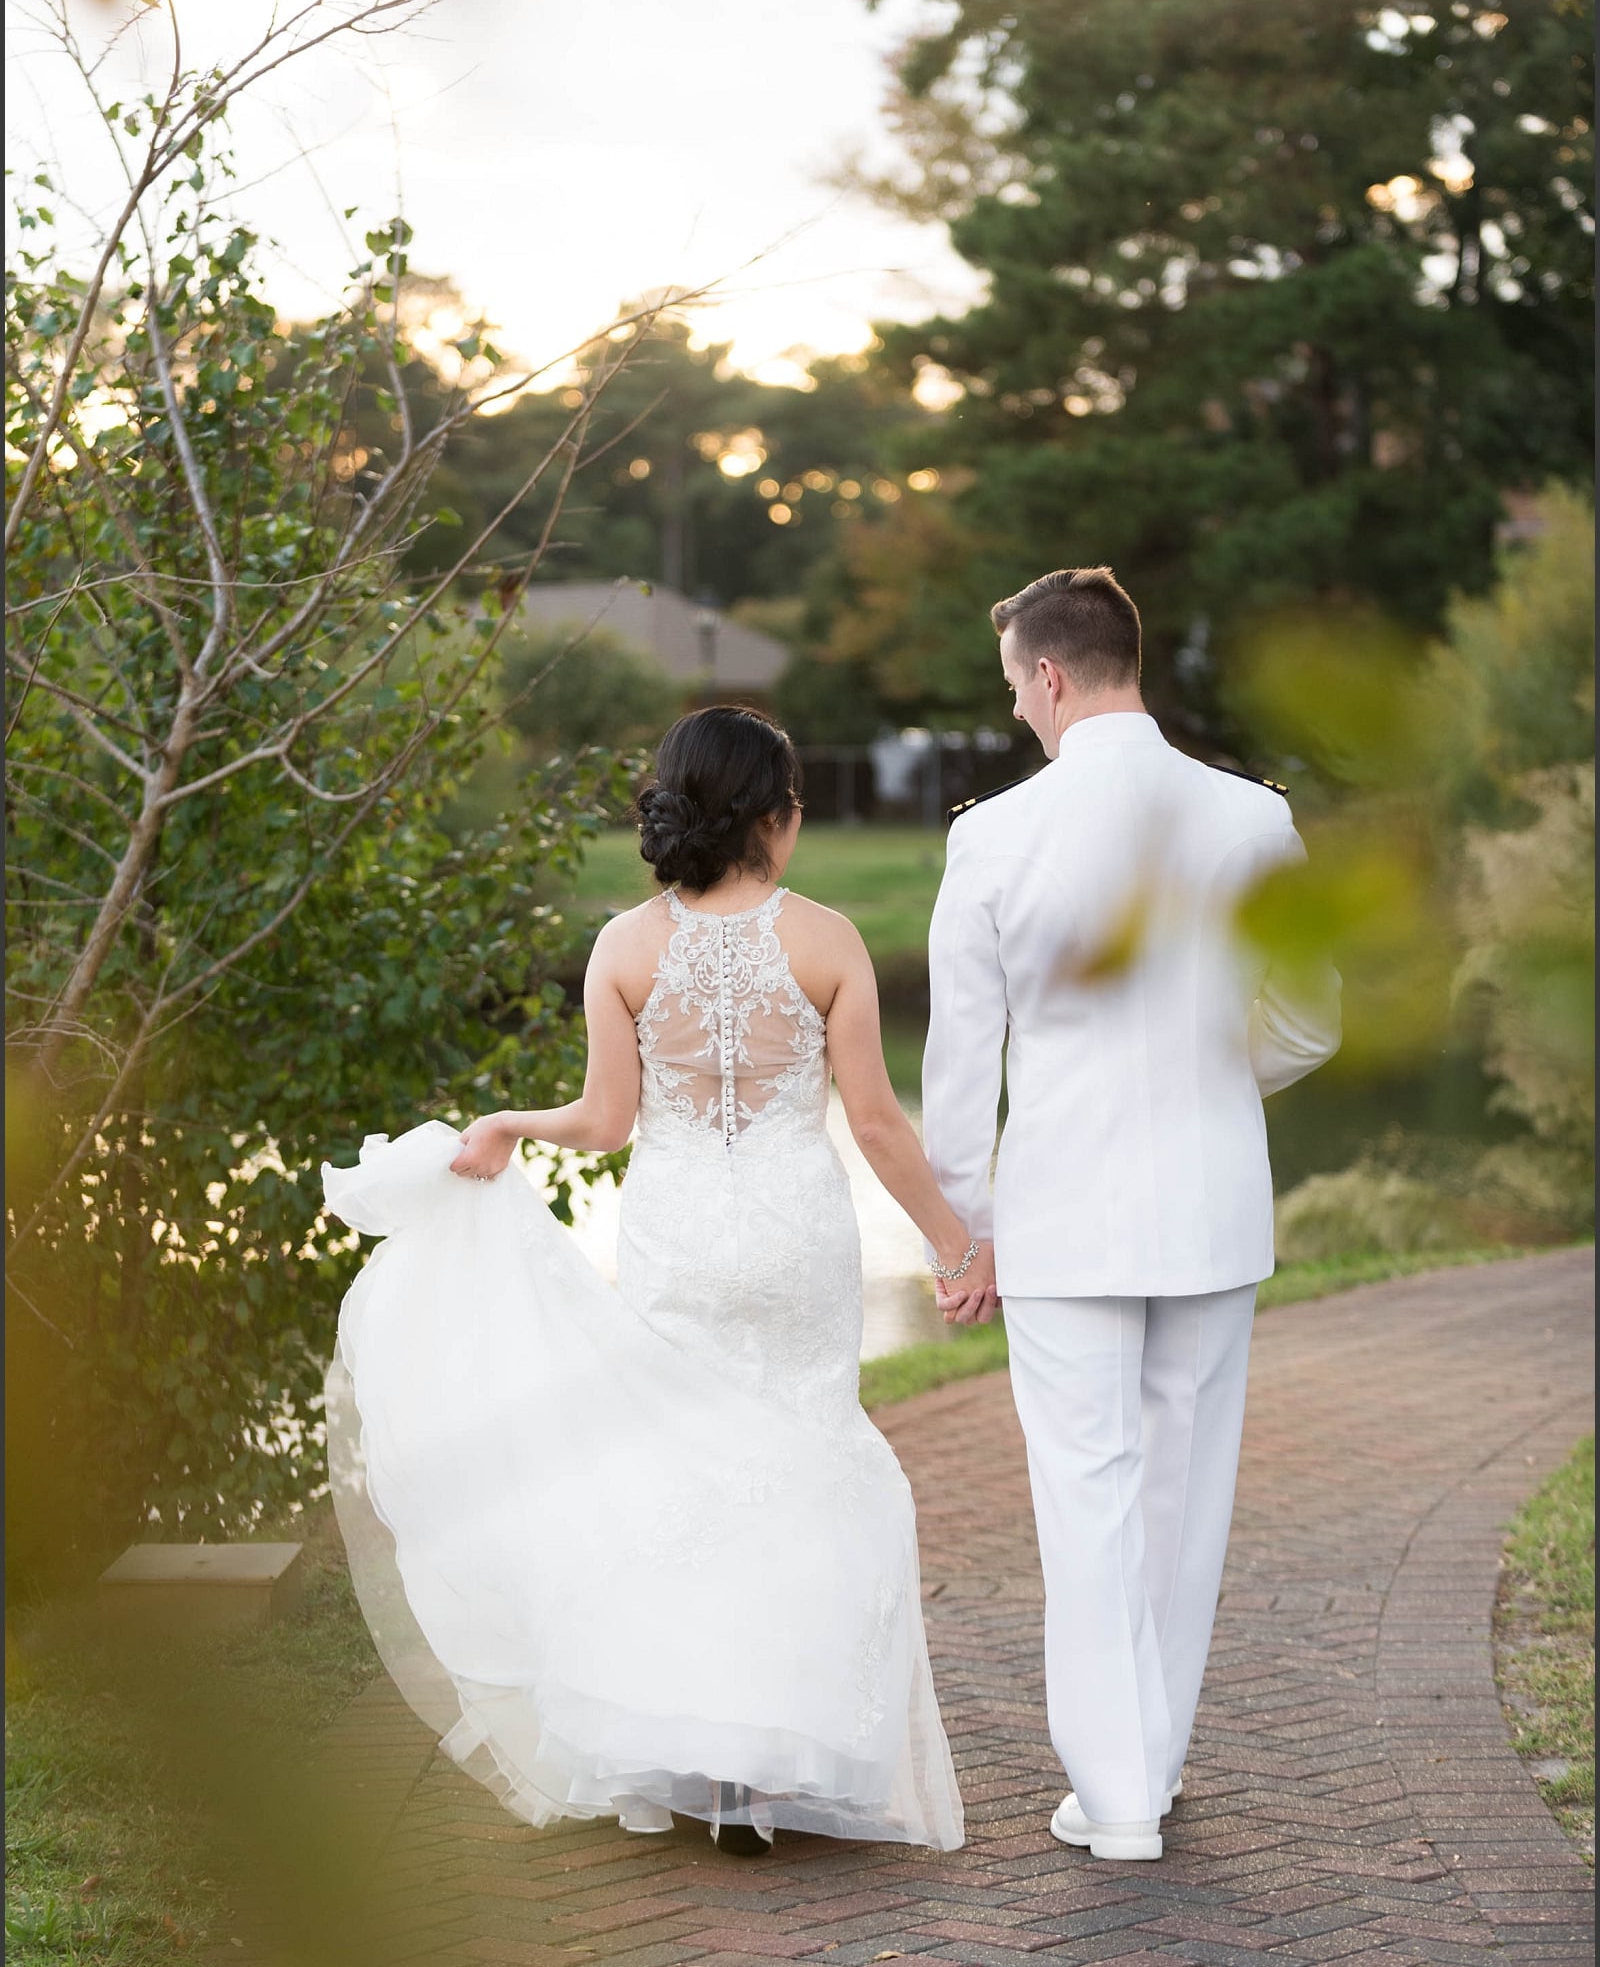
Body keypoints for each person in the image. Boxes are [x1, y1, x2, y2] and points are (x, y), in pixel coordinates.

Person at [321, 706, 970, 1859]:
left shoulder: (625, 945)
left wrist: (512, 1122)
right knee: (803, 1457)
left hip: (677, 1234)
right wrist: (950, 1242)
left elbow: (607, 1121)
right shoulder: (826, 940)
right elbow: (873, 1119)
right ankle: (773, 1764)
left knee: (689, 1471)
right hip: (791, 1232)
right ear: (773, 814)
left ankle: (709, 1755)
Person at [923, 567, 1341, 1863]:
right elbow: (1312, 1022)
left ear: (1050, 675)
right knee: (1183, 1495)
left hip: (1060, 1218)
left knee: (1085, 1498)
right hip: (1211, 1207)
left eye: (1014, 692)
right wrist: (1217, 1083)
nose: (1018, 717)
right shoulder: (1254, 818)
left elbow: (959, 1073)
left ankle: (1113, 1804)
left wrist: (966, 1229)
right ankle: (1147, 1775)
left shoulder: (991, 836)